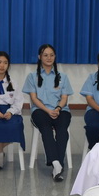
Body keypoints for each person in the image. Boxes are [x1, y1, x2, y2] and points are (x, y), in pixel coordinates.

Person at [23, 44, 74, 182]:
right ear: (39, 57)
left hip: (60, 110)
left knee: (62, 130)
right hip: (40, 111)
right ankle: (57, 164)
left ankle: (56, 164)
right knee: (46, 129)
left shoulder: (63, 76)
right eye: (45, 55)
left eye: (51, 55)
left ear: (55, 57)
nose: (49, 58)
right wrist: (48, 110)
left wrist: (57, 108)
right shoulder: (32, 76)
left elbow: (64, 98)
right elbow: (34, 99)